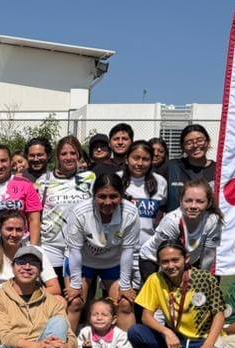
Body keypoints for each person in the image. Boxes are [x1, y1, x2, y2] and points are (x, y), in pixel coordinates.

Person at [128, 239, 226, 348]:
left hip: (203, 341)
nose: (170, 265)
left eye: (175, 260)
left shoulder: (205, 278)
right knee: (136, 332)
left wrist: (209, 344)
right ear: (159, 263)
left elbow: (219, 315)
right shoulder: (155, 279)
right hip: (176, 342)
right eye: (165, 262)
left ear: (186, 259)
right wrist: (167, 332)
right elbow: (146, 316)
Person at [62, 173, 141, 331]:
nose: (107, 202)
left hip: (113, 262)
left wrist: (125, 286)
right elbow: (75, 251)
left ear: (122, 195)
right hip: (82, 261)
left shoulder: (131, 213)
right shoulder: (79, 212)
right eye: (102, 196)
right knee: (75, 302)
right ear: (93, 196)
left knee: (124, 303)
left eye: (114, 196)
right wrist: (76, 285)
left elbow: (127, 251)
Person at [34, 136, 96, 284]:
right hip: (51, 247)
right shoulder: (43, 181)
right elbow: (36, 215)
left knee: (77, 298)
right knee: (53, 295)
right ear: (57, 156)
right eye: (64, 154)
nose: (68, 157)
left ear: (79, 156)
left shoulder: (89, 178)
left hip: (80, 247)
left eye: (73, 153)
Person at [139, 180, 222, 281]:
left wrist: (202, 280)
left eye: (200, 201)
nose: (193, 206)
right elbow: (165, 256)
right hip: (154, 259)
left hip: (185, 260)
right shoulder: (172, 221)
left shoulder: (213, 221)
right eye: (188, 201)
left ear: (208, 203)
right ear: (181, 201)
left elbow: (208, 256)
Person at [122, 140, 168, 285]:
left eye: (145, 159)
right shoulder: (116, 180)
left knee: (147, 300)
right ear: (127, 158)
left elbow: (161, 215)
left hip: (148, 253)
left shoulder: (160, 182)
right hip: (120, 251)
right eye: (136, 158)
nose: (140, 163)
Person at [0, 211, 60, 296]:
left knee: (60, 300)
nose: (14, 234)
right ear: (0, 230)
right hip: (6, 306)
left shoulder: (37, 252)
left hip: (35, 303)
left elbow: (55, 288)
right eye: (9, 229)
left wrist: (26, 298)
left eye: (19, 230)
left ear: (24, 231)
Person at [164, 123, 215, 211]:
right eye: (189, 143)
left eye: (200, 140)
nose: (195, 145)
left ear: (207, 142)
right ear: (183, 147)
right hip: (177, 223)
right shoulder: (172, 167)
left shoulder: (219, 170)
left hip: (209, 223)